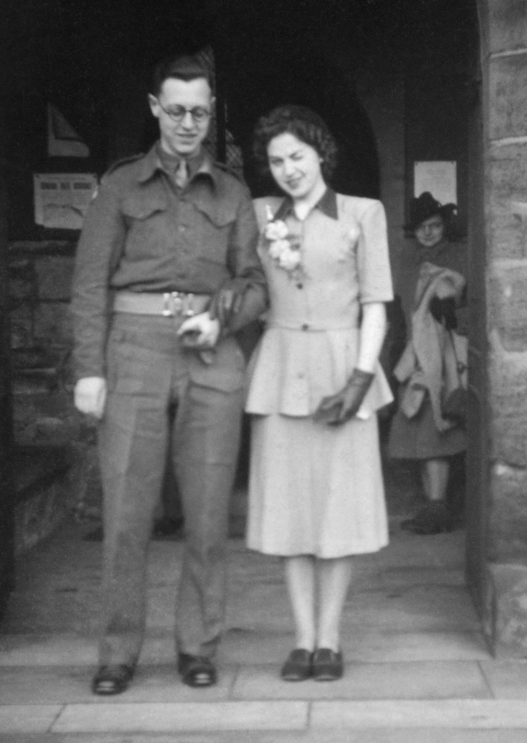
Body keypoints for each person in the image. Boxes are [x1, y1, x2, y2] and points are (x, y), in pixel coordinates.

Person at [71, 53, 267, 694]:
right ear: (155, 108)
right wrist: (88, 370)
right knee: (127, 511)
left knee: (209, 514)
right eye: (177, 110)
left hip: (210, 352)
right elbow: (88, 283)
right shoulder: (121, 185)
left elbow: (256, 281)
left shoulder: (234, 192)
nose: (188, 123)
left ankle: (197, 646)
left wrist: (223, 318)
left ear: (212, 115)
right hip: (133, 350)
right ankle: (118, 651)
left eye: (200, 112)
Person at [245, 105, 394, 681]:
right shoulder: (258, 215)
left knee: (339, 511)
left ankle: (331, 639)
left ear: (321, 153)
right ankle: (301, 639)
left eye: (298, 156)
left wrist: (360, 378)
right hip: (281, 370)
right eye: (277, 160)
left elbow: (376, 303)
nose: (288, 169)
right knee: (290, 511)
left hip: (342, 365)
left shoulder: (363, 213)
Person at [388, 192, 468, 535]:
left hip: (441, 355)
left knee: (435, 431)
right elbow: (399, 311)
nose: (429, 233)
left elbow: (463, 307)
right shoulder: (406, 261)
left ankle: (438, 507)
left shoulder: (457, 258)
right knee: (418, 431)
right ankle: (431, 506)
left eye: (434, 226)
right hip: (412, 354)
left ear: (443, 227)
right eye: (422, 228)